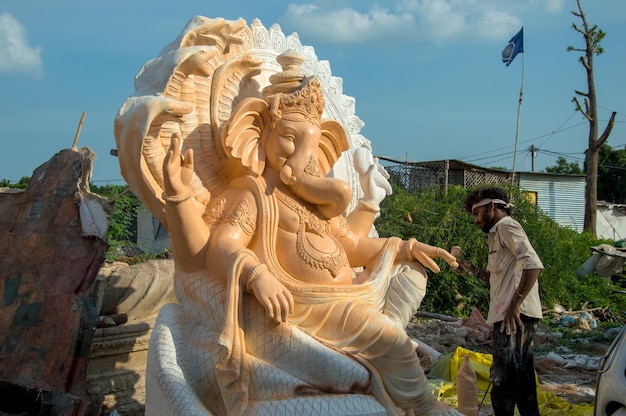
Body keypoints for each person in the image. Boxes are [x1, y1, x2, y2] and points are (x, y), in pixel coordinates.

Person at [456, 186, 543, 416]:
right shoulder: (497, 234)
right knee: (522, 381)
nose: (475, 220)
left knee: (503, 380)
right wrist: (472, 269)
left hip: (514, 316)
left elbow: (533, 265)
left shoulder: (507, 227)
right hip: (512, 314)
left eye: (476, 213)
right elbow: (498, 278)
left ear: (491, 207)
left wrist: (514, 305)